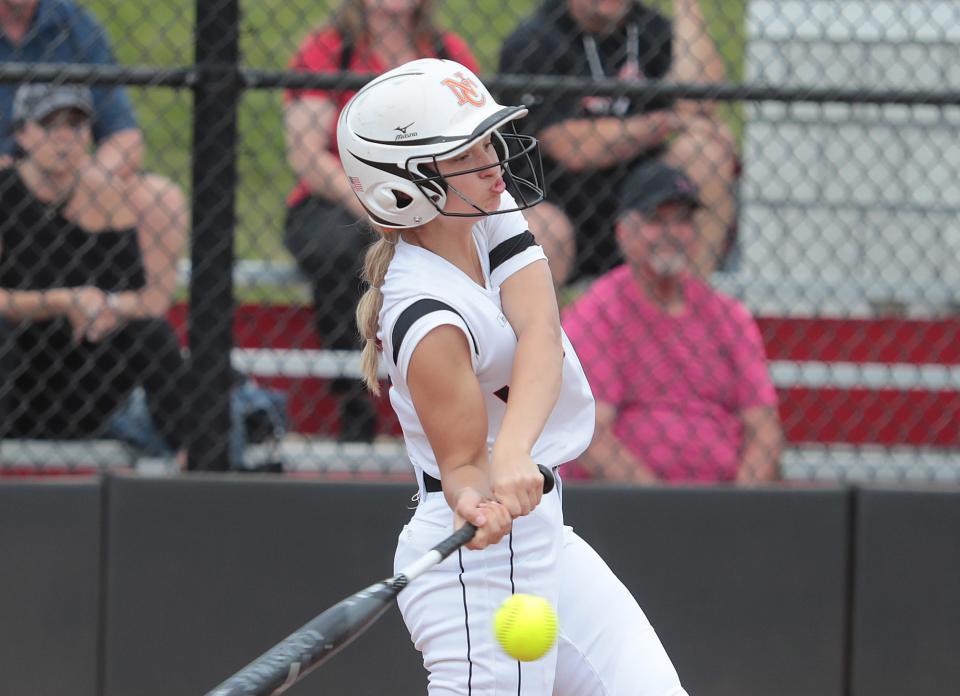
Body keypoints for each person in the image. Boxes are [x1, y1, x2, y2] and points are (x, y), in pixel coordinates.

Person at [112, 59, 840, 696]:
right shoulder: (419, 316)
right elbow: (457, 466)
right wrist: (484, 483)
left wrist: (515, 460)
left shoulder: (494, 224)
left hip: (546, 541)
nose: (494, 160)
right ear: (407, 184)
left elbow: (541, 335)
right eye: (467, 150)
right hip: (473, 566)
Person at [283, 0, 479, 441]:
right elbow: (306, 154)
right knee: (337, 251)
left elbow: (473, 142)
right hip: (338, 196)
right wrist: (374, 205)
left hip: (433, 197)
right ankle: (357, 401)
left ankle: (455, 403)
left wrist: (423, 204)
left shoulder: (446, 52)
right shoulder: (330, 49)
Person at [563, 162, 782, 484]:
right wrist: (666, 507)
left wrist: (738, 507)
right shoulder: (598, 311)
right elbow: (590, 437)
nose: (672, 233)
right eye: (656, 220)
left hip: (721, 501)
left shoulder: (728, 315)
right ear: (623, 232)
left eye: (682, 221)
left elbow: (764, 429)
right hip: (626, 504)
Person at [0, 84, 190, 449]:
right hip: (19, 366)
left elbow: (142, 299)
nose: (64, 139)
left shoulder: (105, 195)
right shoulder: (6, 191)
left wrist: (109, 307)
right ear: (22, 134)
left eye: (75, 126)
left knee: (151, 333)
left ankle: (195, 462)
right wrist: (64, 301)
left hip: (79, 375)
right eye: (48, 126)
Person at [498, 0, 736, 283]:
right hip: (559, 204)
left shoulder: (647, 28)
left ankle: (690, 308)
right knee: (546, 228)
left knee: (705, 151)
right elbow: (572, 147)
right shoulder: (535, 39)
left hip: (645, 204)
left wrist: (686, 7)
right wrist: (668, 121)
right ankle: (547, 327)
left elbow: (701, 101)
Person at [0, 0, 187, 321]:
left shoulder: (74, 24)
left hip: (71, 183)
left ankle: (129, 311)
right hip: (10, 182)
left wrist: (84, 180)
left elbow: (124, 137)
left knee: (161, 198)